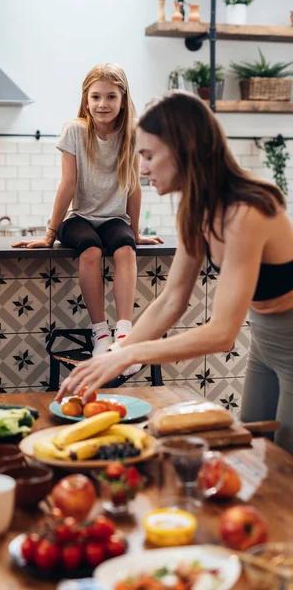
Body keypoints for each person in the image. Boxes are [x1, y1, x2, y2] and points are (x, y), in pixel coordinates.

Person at [56, 90, 293, 453]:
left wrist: (129, 355)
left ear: (184, 149)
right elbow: (170, 302)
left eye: (149, 155)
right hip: (265, 342)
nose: (143, 168)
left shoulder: (248, 211)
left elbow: (221, 334)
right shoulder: (195, 209)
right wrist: (114, 357)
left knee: (284, 465)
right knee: (256, 451)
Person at [13, 63, 161, 372]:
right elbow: (67, 184)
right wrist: (49, 236)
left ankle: (124, 333)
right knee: (90, 250)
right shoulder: (75, 130)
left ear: (123, 100)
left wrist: (135, 232)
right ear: (86, 99)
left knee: (125, 248)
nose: (102, 104)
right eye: (95, 97)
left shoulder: (132, 133)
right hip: (79, 218)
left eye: (110, 97)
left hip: (114, 219)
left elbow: (134, 188)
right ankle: (100, 332)